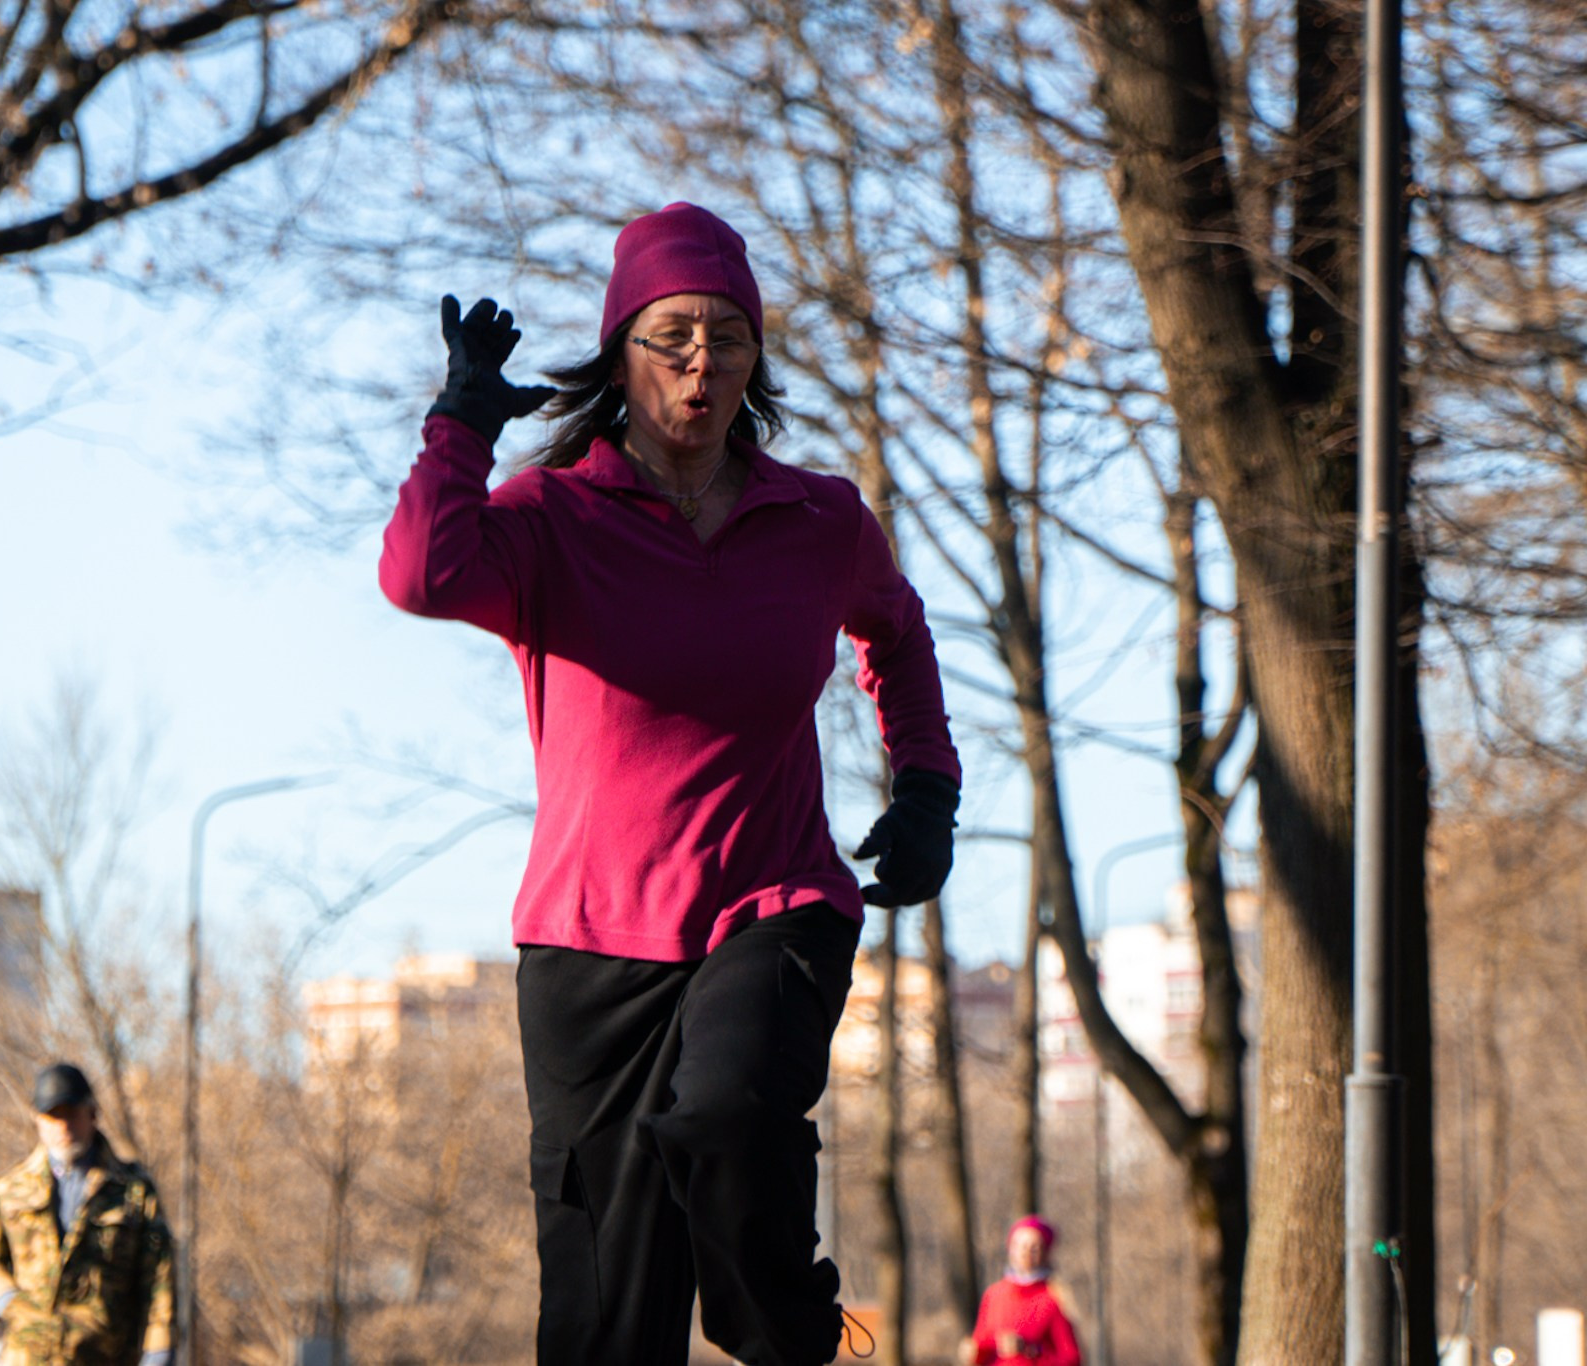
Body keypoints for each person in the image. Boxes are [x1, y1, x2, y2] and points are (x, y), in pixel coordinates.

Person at [379, 201, 961, 1366]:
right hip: (591, 945)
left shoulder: (816, 517)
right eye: (673, 338)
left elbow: (893, 634)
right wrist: (457, 429)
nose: (704, 365)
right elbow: (420, 577)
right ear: (621, 353)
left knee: (730, 1120)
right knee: (603, 1321)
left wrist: (925, 787)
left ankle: (779, 1325)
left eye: (729, 340)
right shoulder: (552, 518)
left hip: (771, 903)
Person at [0, 1063, 175, 1366]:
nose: (63, 1127)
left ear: (92, 1114)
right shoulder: (9, 1191)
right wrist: (7, 1300)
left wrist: (158, 1353)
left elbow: (160, 1279)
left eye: (71, 1113)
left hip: (104, 1355)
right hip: (29, 1356)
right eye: (53, 1116)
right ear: (38, 1120)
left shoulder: (132, 1192)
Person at [960, 1216, 1081, 1366]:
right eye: (1020, 1245)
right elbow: (982, 1345)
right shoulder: (993, 1295)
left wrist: (1029, 1350)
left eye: (1034, 1247)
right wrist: (973, 1353)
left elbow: (1072, 1359)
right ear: (1010, 1248)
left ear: (1046, 1252)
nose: (1026, 1253)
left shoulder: (1055, 1297)